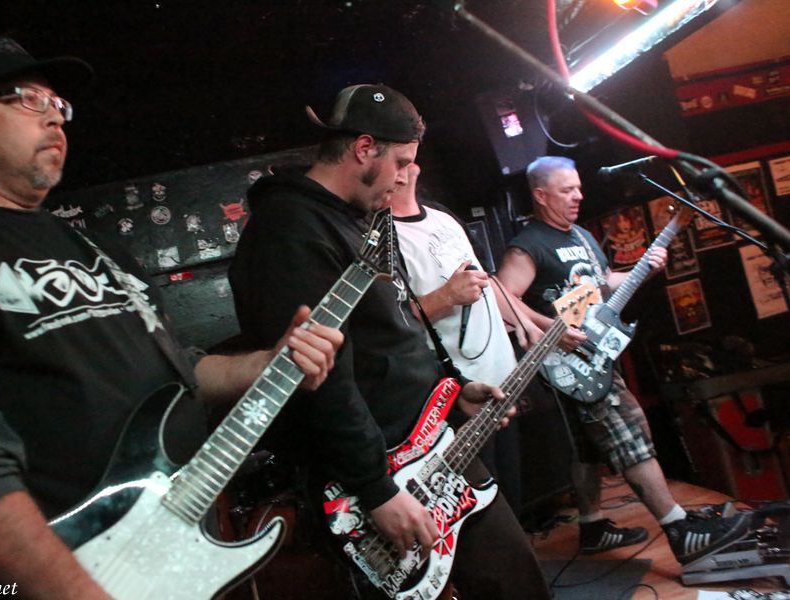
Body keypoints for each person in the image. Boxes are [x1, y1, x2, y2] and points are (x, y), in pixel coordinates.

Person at [0, 35, 343, 599]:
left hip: (182, 547)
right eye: (27, 99)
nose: (54, 118)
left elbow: (178, 374)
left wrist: (266, 364)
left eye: (59, 105)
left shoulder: (94, 247)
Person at [229, 84, 551, 599]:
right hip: (382, 474)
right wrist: (376, 489)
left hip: (430, 448)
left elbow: (392, 333)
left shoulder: (357, 221)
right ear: (363, 149)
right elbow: (320, 377)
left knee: (516, 582)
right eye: (400, 162)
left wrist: (450, 390)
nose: (405, 177)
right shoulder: (290, 230)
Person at [496, 155, 752, 564]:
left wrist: (644, 269)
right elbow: (502, 298)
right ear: (540, 196)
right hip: (567, 359)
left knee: (587, 449)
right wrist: (552, 329)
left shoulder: (581, 236)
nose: (578, 196)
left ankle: (593, 525)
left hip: (592, 354)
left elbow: (603, 283)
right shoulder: (529, 245)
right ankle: (679, 528)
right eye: (567, 190)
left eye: (579, 188)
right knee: (630, 428)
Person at [389, 162, 544, 512]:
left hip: (501, 383)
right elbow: (391, 325)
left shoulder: (442, 216)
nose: (409, 159)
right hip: (457, 397)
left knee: (513, 499)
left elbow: (484, 280)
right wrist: (446, 296)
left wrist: (524, 320)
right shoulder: (382, 238)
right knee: (482, 511)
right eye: (399, 155)